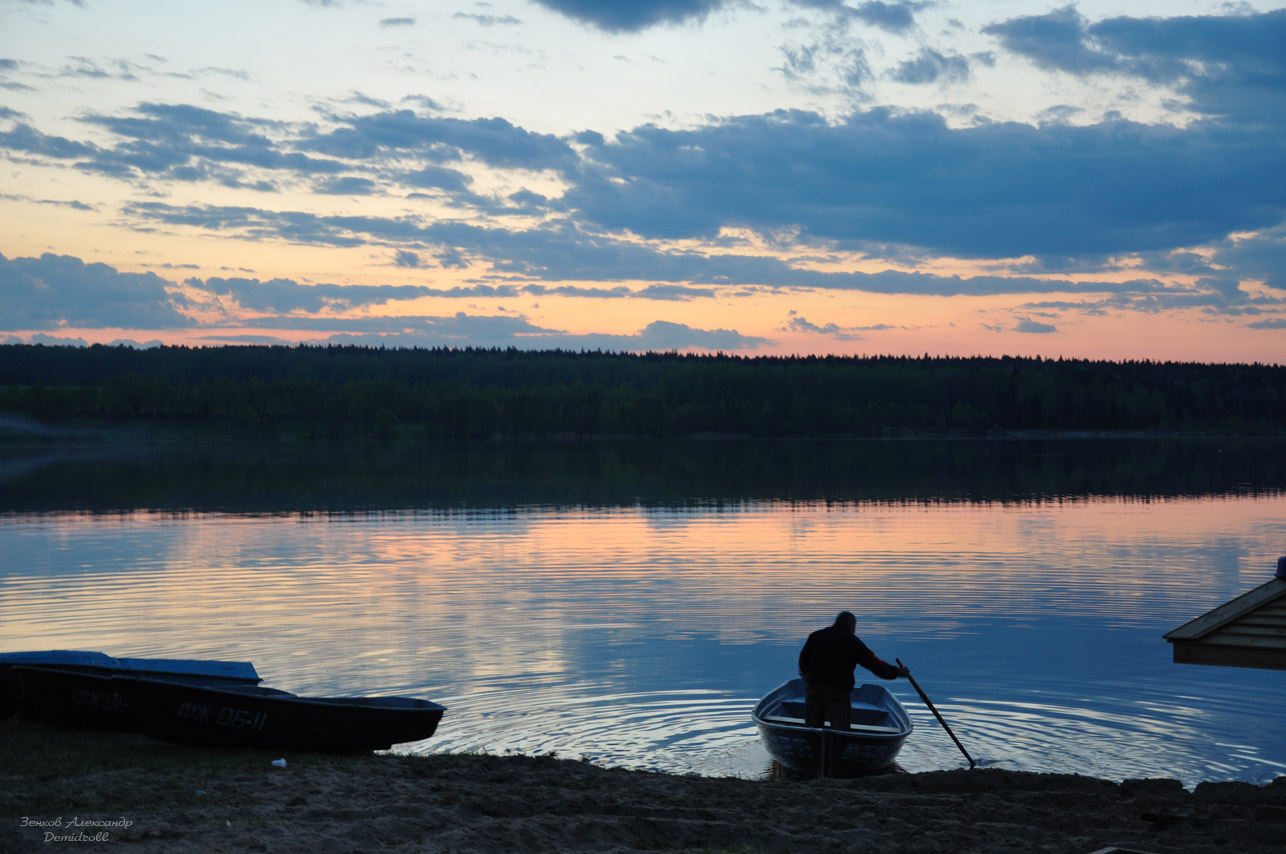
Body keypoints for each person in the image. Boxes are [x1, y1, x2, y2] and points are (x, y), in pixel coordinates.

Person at [798, 610, 909, 730]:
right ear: (852, 626)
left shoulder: (815, 636)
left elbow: (803, 662)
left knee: (812, 728)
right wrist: (897, 672)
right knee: (840, 731)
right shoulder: (854, 643)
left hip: (814, 688)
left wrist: (809, 680)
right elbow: (875, 665)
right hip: (837, 691)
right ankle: (837, 746)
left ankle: (813, 747)